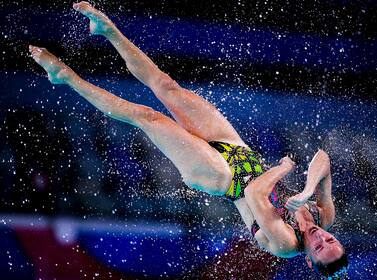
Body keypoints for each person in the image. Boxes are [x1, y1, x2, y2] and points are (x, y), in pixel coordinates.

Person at [29, 2, 348, 277]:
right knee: (167, 87)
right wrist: (308, 190)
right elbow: (323, 160)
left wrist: (283, 169)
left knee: (145, 116)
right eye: (330, 242)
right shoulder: (324, 215)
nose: (322, 240)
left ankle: (66, 77)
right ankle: (106, 28)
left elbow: (253, 192)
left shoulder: (286, 244)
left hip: (221, 178)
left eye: (319, 249)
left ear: (309, 261)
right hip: (239, 151)